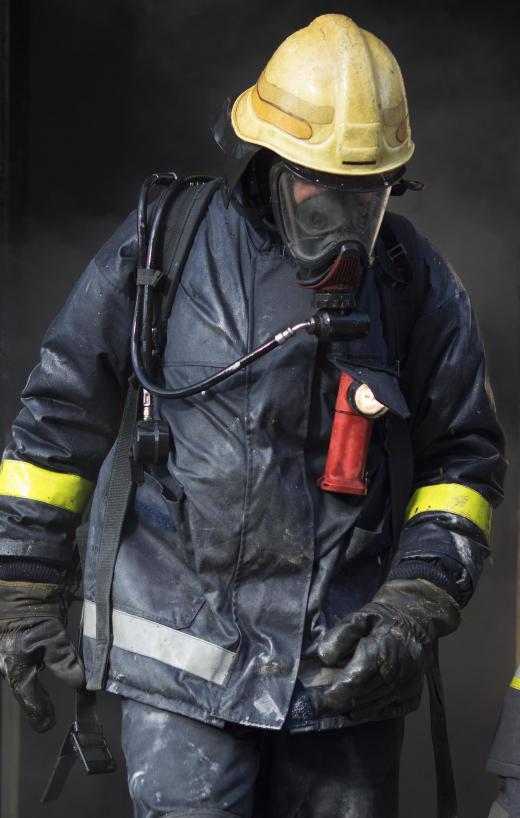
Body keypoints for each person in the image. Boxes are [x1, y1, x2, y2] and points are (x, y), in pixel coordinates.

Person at [0, 13, 506, 818]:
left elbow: (462, 466)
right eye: (317, 191)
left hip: (346, 674)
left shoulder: (416, 286)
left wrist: (414, 603)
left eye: (364, 195)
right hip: (185, 666)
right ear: (267, 166)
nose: (342, 226)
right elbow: (57, 424)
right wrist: (23, 586)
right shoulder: (161, 253)